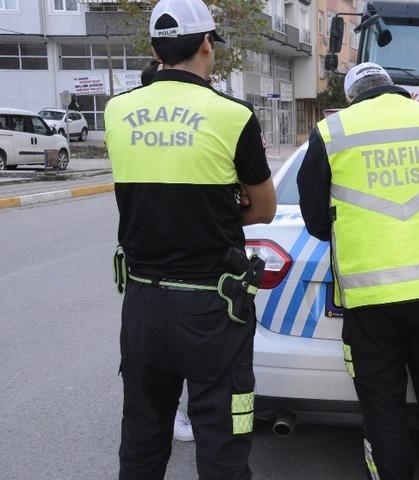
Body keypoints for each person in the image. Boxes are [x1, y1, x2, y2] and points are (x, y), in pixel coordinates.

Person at [104, 0, 275, 478]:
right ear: (206, 44)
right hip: (212, 306)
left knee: (142, 433)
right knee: (221, 435)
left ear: (156, 50)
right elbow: (263, 208)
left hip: (142, 303)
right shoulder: (232, 115)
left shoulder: (117, 110)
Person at [298, 62, 419, 480]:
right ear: (397, 90)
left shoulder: (332, 133)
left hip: (368, 301)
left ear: (351, 97)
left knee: (383, 408)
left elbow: (316, 221)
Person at [138, 57, 196, 444]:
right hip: (189, 279)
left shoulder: (126, 122)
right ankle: (181, 412)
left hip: (150, 284)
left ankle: (177, 412)